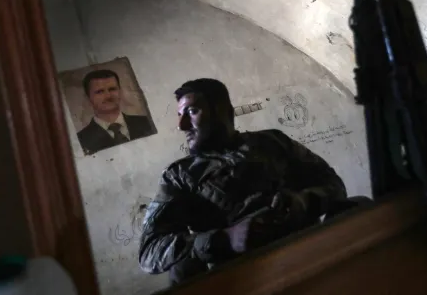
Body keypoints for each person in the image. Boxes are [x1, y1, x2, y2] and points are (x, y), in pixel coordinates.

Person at [138, 78, 347, 285]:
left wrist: (303, 202)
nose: (181, 126)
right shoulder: (180, 175)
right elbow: (149, 252)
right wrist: (225, 239)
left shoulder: (273, 141)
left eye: (192, 112)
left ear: (222, 111)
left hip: (308, 253)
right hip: (245, 277)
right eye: (179, 115)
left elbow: (334, 185)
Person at [77, 69, 156, 155]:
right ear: (88, 98)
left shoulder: (146, 122)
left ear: (120, 91)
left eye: (112, 89)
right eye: (100, 92)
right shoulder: (80, 140)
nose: (108, 96)